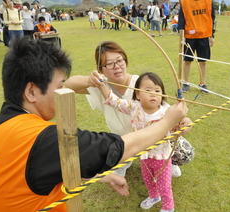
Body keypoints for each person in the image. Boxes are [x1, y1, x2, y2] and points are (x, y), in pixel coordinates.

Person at [0, 37, 187, 212]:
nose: (63, 92)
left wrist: (102, 177)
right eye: (59, 87)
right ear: (31, 92)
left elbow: (45, 168)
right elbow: (118, 148)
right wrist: (167, 122)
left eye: (120, 60)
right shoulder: (43, 140)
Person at [65, 41, 193, 178]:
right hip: (123, 142)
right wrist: (90, 80)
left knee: (185, 153)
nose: (117, 67)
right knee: (104, 152)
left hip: (151, 138)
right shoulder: (100, 86)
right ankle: (124, 161)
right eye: (109, 64)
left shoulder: (140, 83)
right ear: (101, 69)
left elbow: (165, 108)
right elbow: (69, 84)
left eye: (120, 61)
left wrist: (184, 120)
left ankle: (165, 160)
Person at [96, 72, 183, 212]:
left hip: (162, 156)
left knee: (164, 185)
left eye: (157, 90)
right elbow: (115, 101)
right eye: (147, 90)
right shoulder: (134, 106)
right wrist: (102, 85)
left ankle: (168, 207)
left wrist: (183, 125)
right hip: (143, 154)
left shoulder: (167, 112)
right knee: (148, 179)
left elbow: (179, 125)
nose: (153, 94)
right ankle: (154, 196)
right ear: (137, 94)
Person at [178, 0, 215, 94]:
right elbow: (181, 19)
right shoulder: (185, 2)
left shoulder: (208, 1)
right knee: (187, 60)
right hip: (189, 36)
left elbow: (212, 18)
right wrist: (182, 36)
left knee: (202, 61)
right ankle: (186, 82)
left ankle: (202, 83)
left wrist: (212, 36)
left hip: (203, 36)